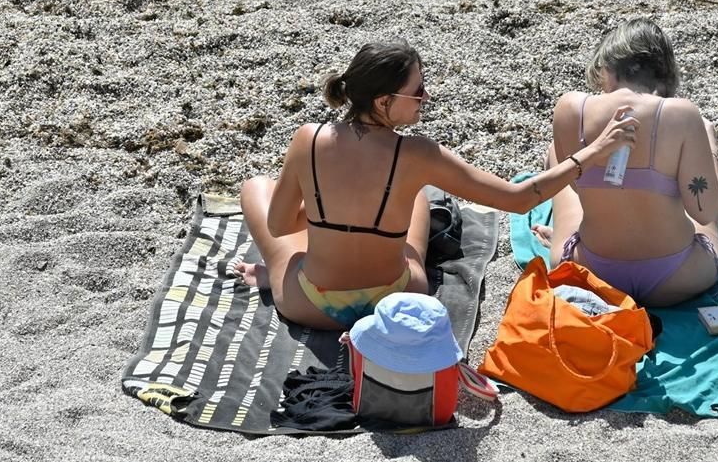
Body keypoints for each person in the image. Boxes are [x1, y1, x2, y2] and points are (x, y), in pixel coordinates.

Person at [236, 40, 637, 329]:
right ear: (382, 102)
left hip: (313, 306)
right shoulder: (418, 154)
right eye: (417, 91)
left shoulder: (309, 137)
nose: (426, 97)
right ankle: (297, 262)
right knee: (415, 197)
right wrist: (595, 151)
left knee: (257, 187)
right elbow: (518, 199)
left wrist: (332, 213)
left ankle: (274, 274)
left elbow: (281, 226)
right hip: (397, 298)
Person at [532, 18, 718, 307]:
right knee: (713, 187)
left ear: (608, 68)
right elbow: (702, 211)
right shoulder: (682, 115)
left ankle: (564, 233)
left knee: (560, 162)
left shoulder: (571, 107)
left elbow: (574, 187)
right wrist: (709, 145)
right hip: (677, 278)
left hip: (592, 273)